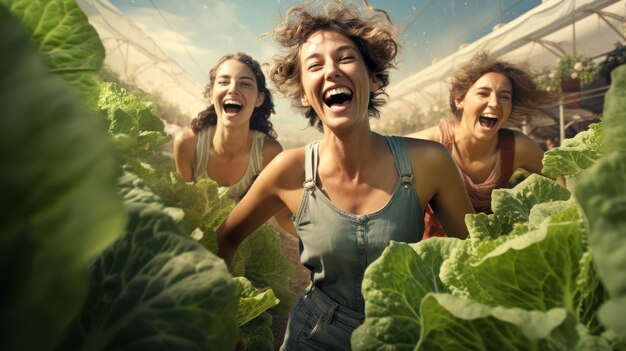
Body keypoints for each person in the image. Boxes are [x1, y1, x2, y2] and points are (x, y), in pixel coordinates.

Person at [216, 2, 473, 350]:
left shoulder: (428, 162)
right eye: (315, 65)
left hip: (405, 335)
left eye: (346, 58)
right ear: (305, 93)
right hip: (312, 336)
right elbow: (224, 239)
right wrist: (220, 321)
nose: (332, 71)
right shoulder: (287, 171)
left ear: (373, 77)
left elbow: (472, 258)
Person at [406, 52, 557, 238]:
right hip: (433, 258)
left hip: (485, 253)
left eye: (504, 96)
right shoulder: (431, 143)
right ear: (459, 100)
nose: (494, 103)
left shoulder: (516, 147)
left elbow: (561, 173)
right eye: (483, 93)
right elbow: (376, 154)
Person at [173, 52, 294, 234]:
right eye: (223, 82)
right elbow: (181, 205)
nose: (233, 89)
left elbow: (284, 217)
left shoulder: (268, 152)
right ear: (210, 93)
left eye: (245, 83)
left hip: (238, 238)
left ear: (259, 99)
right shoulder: (188, 144)